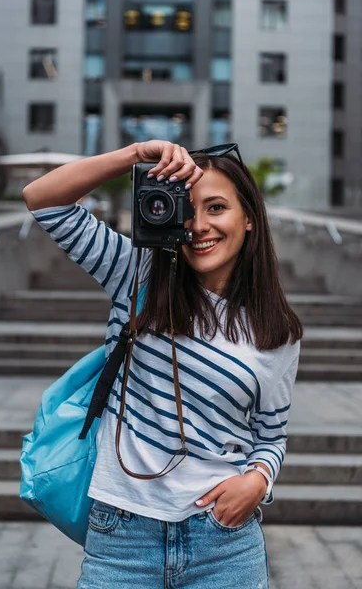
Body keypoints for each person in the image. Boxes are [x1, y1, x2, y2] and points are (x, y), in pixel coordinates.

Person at [23, 140, 302, 589]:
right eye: (186, 210)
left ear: (248, 218)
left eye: (216, 207)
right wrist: (135, 155)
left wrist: (257, 482)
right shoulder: (136, 275)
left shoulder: (277, 332)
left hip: (225, 543)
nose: (199, 225)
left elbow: (271, 434)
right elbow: (43, 199)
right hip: (121, 537)